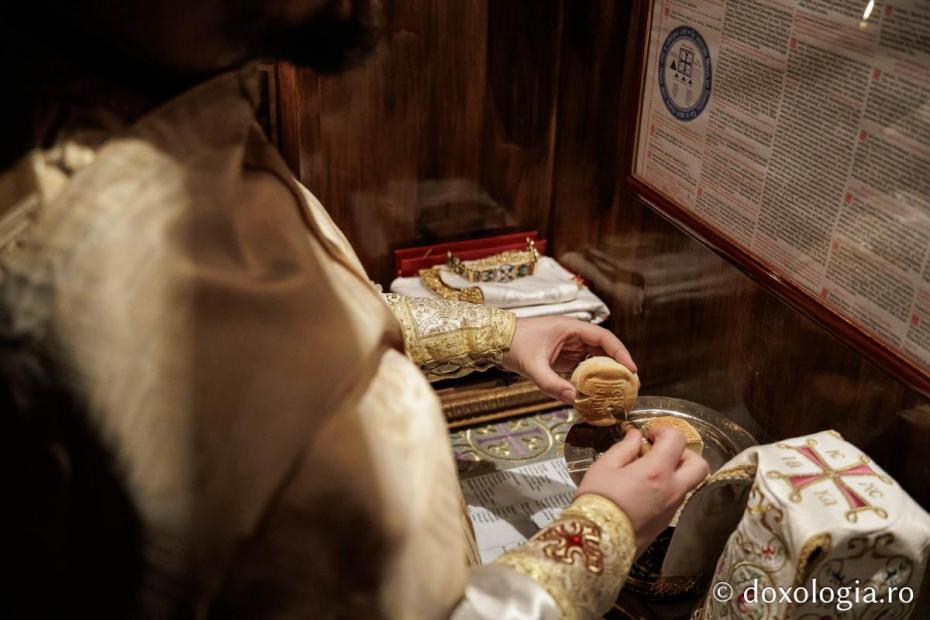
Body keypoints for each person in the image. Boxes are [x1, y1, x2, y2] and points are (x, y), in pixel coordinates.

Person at [0, 1, 708, 618]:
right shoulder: (125, 271)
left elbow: (318, 326)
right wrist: (604, 530)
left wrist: (500, 330)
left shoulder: (161, 119)